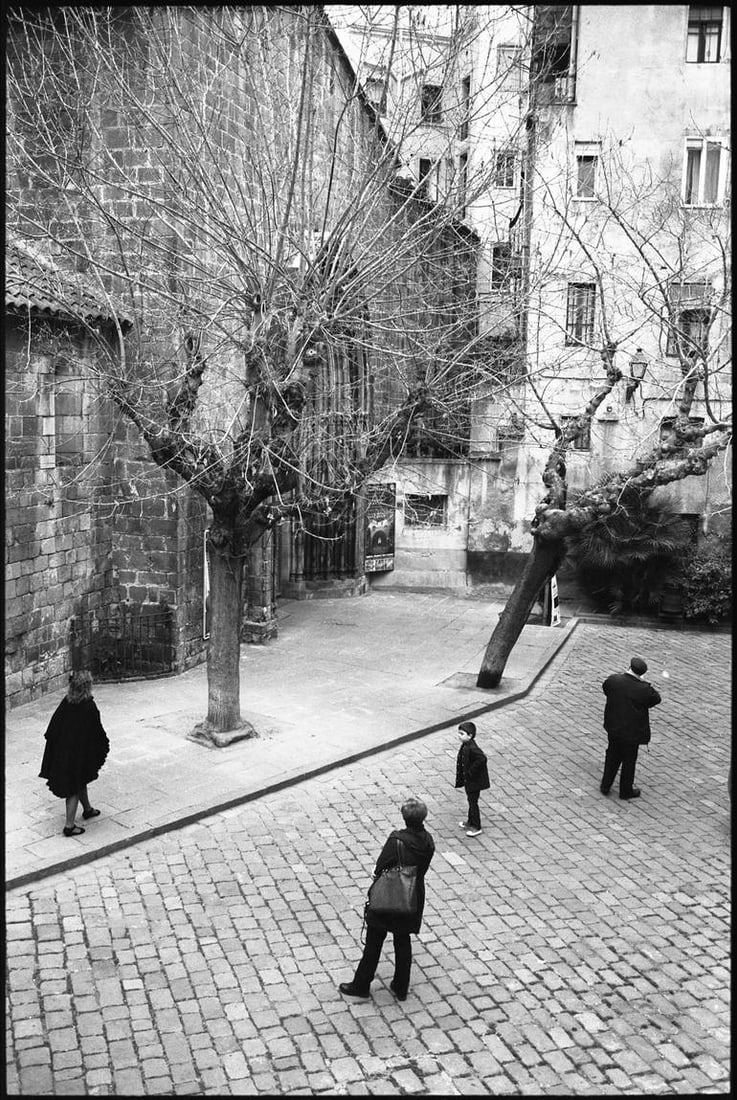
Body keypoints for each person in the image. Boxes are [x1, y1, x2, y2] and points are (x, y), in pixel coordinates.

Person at [339, 798, 435, 1002]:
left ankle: (361, 984)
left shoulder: (397, 840)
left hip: (390, 895)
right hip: (412, 896)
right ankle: (401, 986)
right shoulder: (428, 841)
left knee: (374, 941)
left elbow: (380, 866)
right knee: (402, 940)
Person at [39, 670, 110, 836]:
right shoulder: (89, 706)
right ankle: (69, 826)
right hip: (77, 754)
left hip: (63, 752)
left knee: (80, 779)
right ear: (87, 687)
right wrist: (102, 746)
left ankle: (87, 809)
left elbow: (53, 727)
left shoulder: (67, 702)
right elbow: (96, 732)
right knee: (74, 786)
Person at [600, 656, 661, 800]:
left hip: (614, 727)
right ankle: (625, 790)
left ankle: (605, 785)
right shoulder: (644, 689)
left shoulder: (614, 680)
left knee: (612, 755)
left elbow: (606, 688)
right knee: (629, 760)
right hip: (632, 732)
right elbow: (656, 699)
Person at [455, 721, 490, 837]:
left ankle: (476, 826)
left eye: (462, 734)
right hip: (470, 782)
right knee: (471, 801)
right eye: (459, 733)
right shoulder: (466, 745)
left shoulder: (472, 747)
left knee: (473, 803)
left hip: (474, 782)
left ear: (470, 736)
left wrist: (470, 772)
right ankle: (470, 821)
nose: (459, 736)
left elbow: (482, 758)